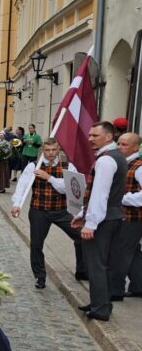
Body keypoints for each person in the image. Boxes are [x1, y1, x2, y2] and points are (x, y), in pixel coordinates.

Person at [10, 137, 87, 288]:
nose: (51, 153)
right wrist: (16, 204)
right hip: (39, 210)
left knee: (82, 237)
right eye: (47, 150)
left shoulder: (68, 166)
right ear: (42, 150)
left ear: (58, 149)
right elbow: (22, 186)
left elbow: (71, 189)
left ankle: (83, 270)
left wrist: (49, 178)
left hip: (62, 210)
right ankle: (40, 276)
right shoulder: (33, 166)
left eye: (53, 150)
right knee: (36, 245)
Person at [72, 121, 129, 321]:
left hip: (105, 219)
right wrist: (82, 214)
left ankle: (100, 308)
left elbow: (100, 194)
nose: (90, 139)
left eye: (95, 136)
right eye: (89, 135)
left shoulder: (106, 160)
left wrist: (91, 223)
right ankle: (101, 302)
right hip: (113, 216)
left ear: (108, 137)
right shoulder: (117, 156)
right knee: (100, 263)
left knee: (96, 264)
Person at [110, 131, 142, 302]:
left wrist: (121, 198)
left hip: (133, 217)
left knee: (120, 252)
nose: (120, 147)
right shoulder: (123, 163)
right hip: (123, 215)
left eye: (124, 144)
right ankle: (139, 285)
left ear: (135, 147)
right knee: (134, 251)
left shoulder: (139, 166)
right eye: (119, 143)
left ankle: (116, 290)